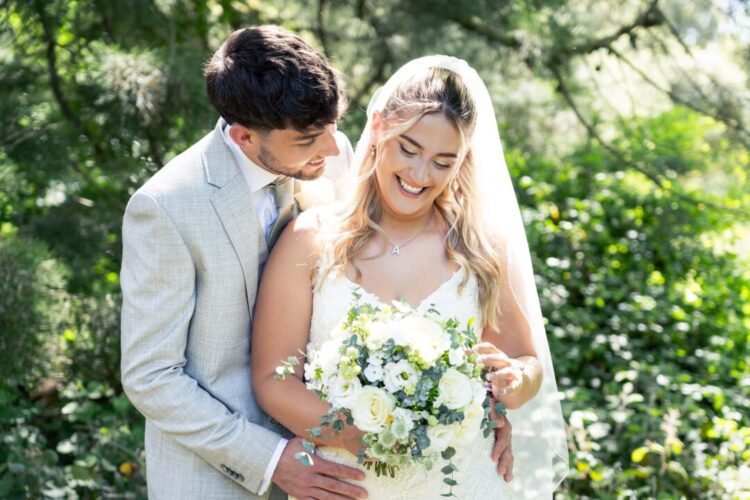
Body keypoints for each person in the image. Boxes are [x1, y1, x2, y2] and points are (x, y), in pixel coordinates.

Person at [252, 56, 568, 498]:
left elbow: (526, 362)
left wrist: (515, 380)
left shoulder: (479, 248)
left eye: (443, 161)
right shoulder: (311, 239)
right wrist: (362, 436)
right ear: (379, 128)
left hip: (463, 483)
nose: (420, 176)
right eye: (409, 149)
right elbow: (273, 380)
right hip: (348, 483)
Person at [120, 26, 367, 499]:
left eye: (334, 126)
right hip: (214, 476)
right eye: (311, 138)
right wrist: (269, 459)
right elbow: (151, 377)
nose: (333, 149)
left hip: (335, 462)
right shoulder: (166, 206)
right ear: (243, 136)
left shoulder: (331, 157)